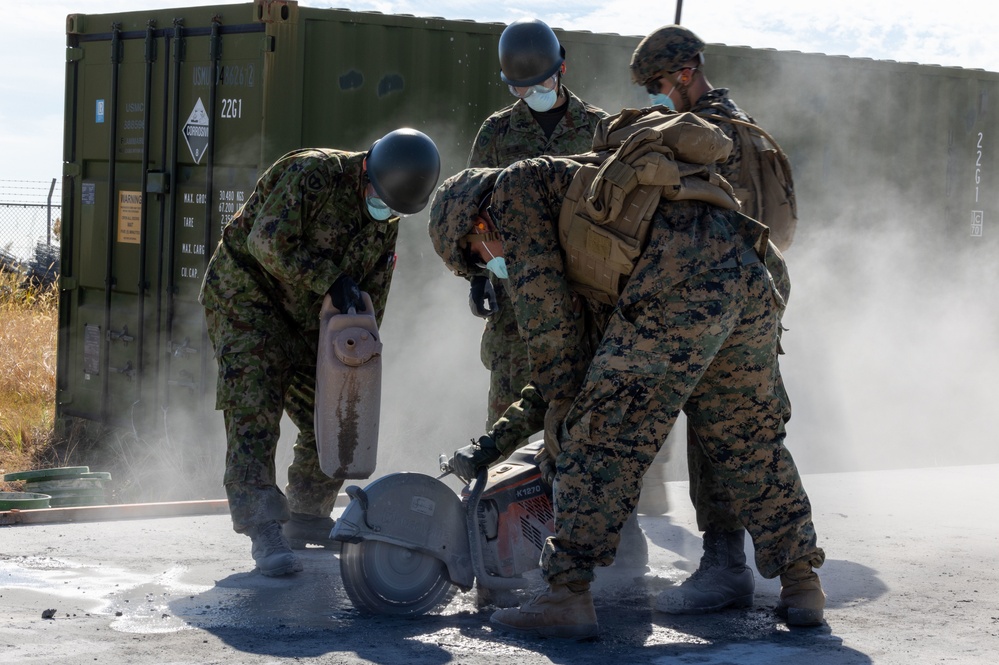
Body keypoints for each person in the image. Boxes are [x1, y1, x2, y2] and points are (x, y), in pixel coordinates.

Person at [427, 148, 825, 637]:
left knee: (602, 434)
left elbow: (554, 341)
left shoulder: (514, 193)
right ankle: (802, 582)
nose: (491, 265)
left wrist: (564, 420)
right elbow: (584, 359)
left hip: (678, 280)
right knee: (749, 438)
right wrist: (493, 445)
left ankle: (566, 595)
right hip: (750, 270)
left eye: (475, 254)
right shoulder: (593, 218)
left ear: (477, 222)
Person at [199, 129, 441, 577]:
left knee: (338, 409)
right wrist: (330, 279)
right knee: (253, 408)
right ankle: (264, 528)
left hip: (312, 316)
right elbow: (265, 243)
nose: (385, 213)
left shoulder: (388, 213)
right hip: (248, 299)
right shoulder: (313, 173)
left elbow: (373, 292)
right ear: (367, 171)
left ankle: (307, 516)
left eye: (395, 211)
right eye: (381, 200)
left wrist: (362, 346)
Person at [628, 23, 799, 614]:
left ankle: (726, 566)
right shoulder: (747, 128)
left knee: (716, 437)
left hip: (715, 310)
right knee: (753, 436)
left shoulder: (707, 135)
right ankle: (789, 571)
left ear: (685, 73)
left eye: (657, 83)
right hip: (756, 309)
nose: (655, 94)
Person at [467, 18, 607, 429]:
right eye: (518, 88)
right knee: (506, 423)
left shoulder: (598, 129)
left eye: (539, 84)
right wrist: (477, 272)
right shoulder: (496, 132)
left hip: (581, 300)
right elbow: (471, 208)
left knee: (577, 421)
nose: (530, 95)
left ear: (561, 69)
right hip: (514, 306)